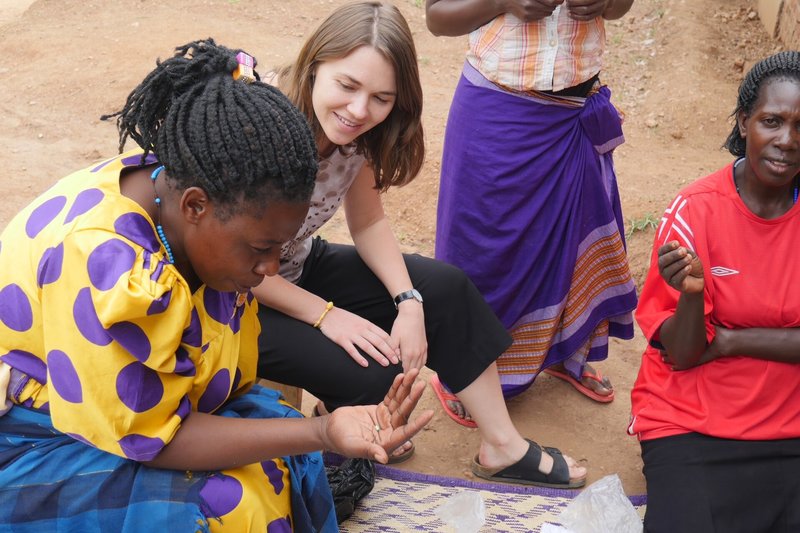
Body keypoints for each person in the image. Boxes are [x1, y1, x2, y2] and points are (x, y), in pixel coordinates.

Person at [0, 38, 435, 532]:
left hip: (134, 412)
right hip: (29, 434)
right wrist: (323, 431)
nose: (272, 268)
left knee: (281, 455)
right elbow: (157, 440)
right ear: (194, 206)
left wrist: (317, 434)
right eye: (260, 249)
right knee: (231, 501)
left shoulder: (181, 194)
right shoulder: (108, 265)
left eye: (281, 248)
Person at [254, 1, 587, 488]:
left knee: (444, 291)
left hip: (295, 267)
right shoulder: (265, 132)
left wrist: (407, 301)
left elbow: (367, 225)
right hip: (231, 298)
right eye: (346, 86)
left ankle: (502, 445)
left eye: (381, 97)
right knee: (372, 367)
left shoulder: (357, 137)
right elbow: (243, 271)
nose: (359, 110)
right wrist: (328, 315)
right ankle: (340, 415)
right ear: (313, 66)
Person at [424, 0, 638, 414]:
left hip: (574, 112)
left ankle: (564, 352)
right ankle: (465, 371)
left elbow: (621, 6)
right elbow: (436, 17)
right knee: (485, 251)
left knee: (573, 240)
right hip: (497, 113)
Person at [629, 50, 800, 532]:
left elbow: (710, 345)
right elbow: (684, 355)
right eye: (772, 121)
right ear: (745, 121)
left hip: (791, 424)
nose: (787, 141)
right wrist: (690, 293)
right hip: (691, 420)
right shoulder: (695, 211)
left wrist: (727, 340)